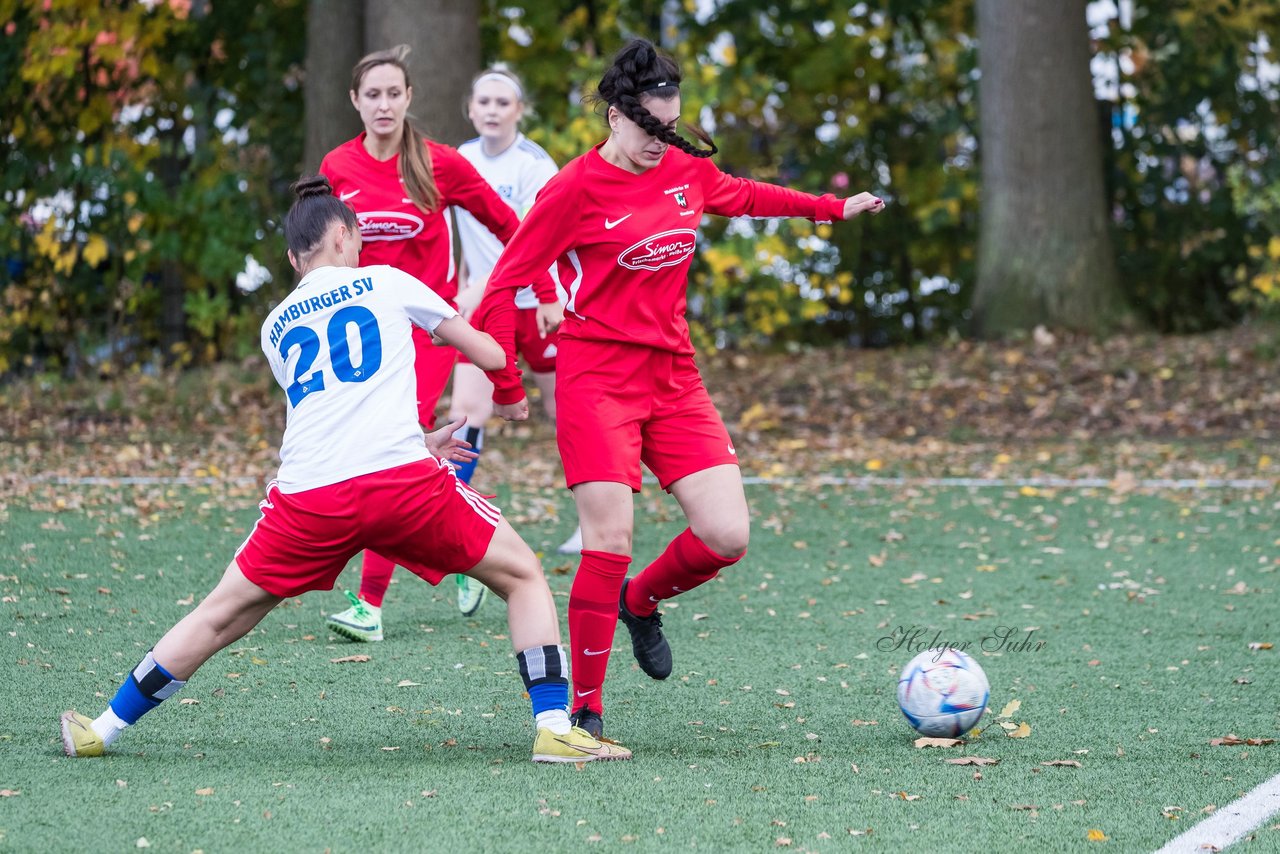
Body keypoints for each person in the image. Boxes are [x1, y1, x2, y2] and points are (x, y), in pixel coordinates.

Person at [57, 176, 630, 764]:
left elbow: (332, 410)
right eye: (356, 239)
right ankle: (555, 727)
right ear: (344, 234)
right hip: (399, 484)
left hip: (309, 497)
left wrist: (416, 438)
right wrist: (493, 306)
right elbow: (485, 353)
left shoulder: (274, 325)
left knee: (219, 614)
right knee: (524, 576)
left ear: (291, 258)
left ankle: (101, 729)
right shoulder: (384, 280)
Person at [474, 38, 886, 739]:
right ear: (614, 116)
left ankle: (641, 601)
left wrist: (830, 209)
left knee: (727, 534)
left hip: (673, 375)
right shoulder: (572, 188)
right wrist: (507, 380)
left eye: (669, 129)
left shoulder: (686, 170)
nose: (659, 144)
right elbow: (505, 282)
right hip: (595, 378)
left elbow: (746, 194)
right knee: (608, 540)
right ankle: (584, 712)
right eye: (646, 130)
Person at [317, 45, 558, 639]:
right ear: (355, 101)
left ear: (408, 99)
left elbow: (511, 224)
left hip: (428, 332)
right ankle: (465, 547)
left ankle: (370, 608)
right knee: (393, 456)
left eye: (393, 93)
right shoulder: (337, 166)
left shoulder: (439, 163)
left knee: (394, 449)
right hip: (366, 335)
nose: (383, 104)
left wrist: (547, 285)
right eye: (371, 94)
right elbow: (318, 250)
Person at [448, 65, 584, 620]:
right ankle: (453, 525)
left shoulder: (534, 165)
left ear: (519, 109)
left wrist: (500, 287)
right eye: (484, 101)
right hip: (486, 310)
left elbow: (528, 236)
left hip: (539, 304)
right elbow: (461, 231)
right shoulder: (460, 157)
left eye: (504, 102)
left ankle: (592, 520)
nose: (493, 110)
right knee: (464, 414)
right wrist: (462, 283)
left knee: (566, 410)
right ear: (471, 108)